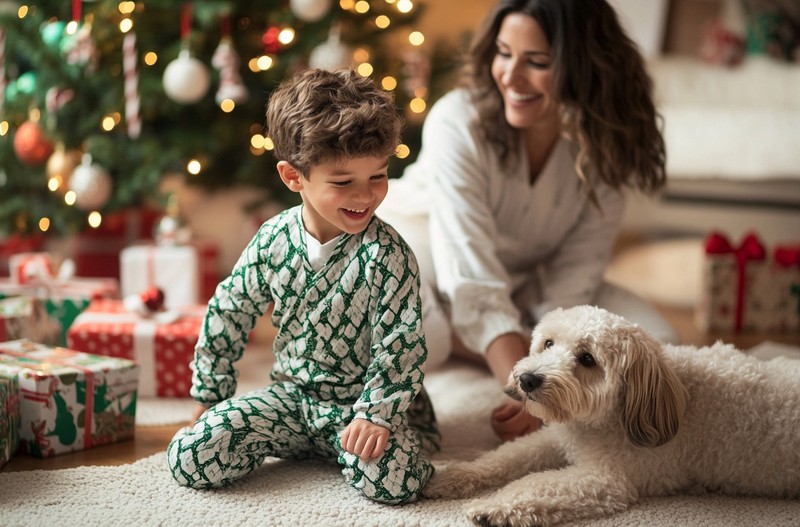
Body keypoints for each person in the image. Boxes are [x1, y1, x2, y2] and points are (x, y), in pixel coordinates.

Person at [378, 0, 679, 442]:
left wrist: (546, 361)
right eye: (503, 53)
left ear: (585, 67)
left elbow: (574, 278)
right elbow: (473, 279)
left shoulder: (606, 145)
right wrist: (526, 390)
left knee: (662, 342)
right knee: (425, 336)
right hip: (416, 265)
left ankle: (486, 338)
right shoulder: (457, 120)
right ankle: (471, 339)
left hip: (519, 283)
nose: (510, 76)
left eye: (536, 62)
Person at [167, 68, 439, 504]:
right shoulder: (273, 240)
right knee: (191, 457)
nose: (365, 196)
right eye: (343, 182)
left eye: (378, 176)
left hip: (361, 409)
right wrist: (210, 392)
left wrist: (377, 415)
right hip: (291, 401)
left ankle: (389, 437)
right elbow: (230, 309)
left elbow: (401, 343)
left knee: (397, 484)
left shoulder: (389, 255)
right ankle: (307, 446)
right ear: (294, 178)